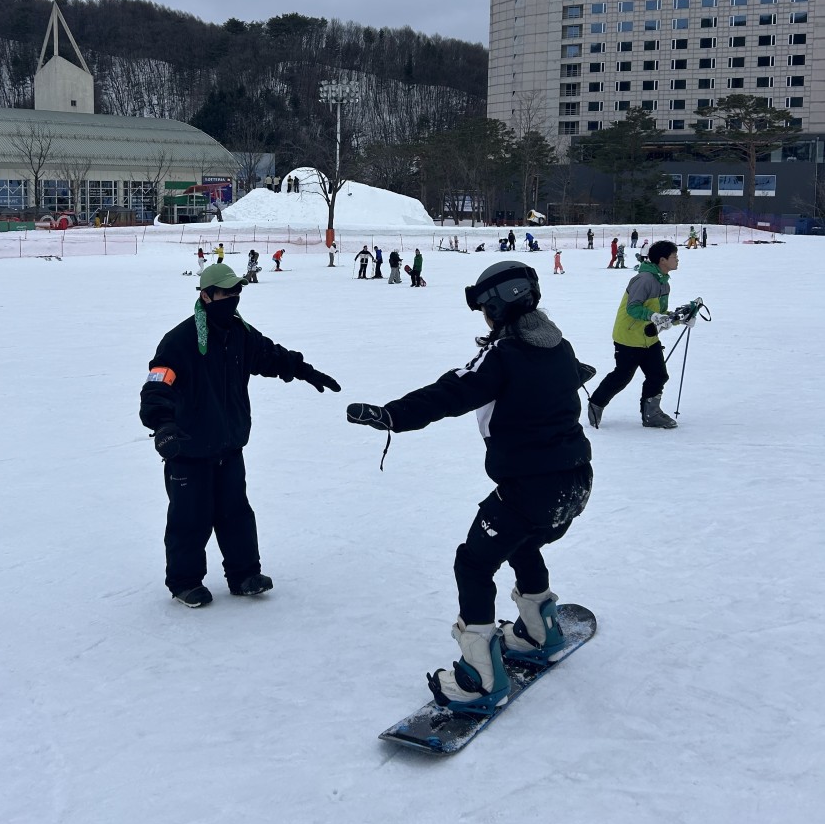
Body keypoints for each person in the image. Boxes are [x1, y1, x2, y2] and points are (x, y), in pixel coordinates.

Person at [346, 260, 593, 711]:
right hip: (574, 485)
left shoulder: (502, 356)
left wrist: (394, 415)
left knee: (474, 565)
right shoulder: (558, 346)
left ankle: (481, 680)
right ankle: (540, 630)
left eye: (483, 307)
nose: (482, 316)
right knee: (523, 545)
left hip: (528, 489)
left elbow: (452, 392)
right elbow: (568, 371)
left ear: (496, 306)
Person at [140, 262, 341, 607]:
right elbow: (157, 386)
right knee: (190, 519)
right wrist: (163, 424)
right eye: (226, 292)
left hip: (229, 445)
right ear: (206, 296)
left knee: (236, 514)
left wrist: (304, 370)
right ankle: (185, 582)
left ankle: (244, 574)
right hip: (188, 450)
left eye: (237, 292)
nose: (233, 298)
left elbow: (270, 356)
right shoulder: (180, 341)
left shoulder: (240, 334)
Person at [588, 241, 682, 431]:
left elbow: (660, 313)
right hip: (629, 337)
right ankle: (596, 404)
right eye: (674, 257)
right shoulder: (644, 280)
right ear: (662, 260)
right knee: (622, 376)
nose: (677, 260)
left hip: (649, 338)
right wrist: (653, 316)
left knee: (658, 375)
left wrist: (679, 317)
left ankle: (651, 414)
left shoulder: (664, 283)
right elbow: (633, 308)